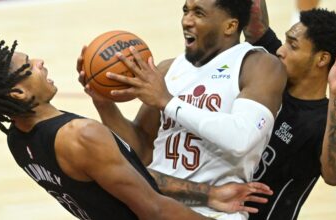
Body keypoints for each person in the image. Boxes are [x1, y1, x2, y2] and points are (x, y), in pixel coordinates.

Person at [0, 29, 274, 220]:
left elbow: (126, 174)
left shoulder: (17, 138)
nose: (40, 62)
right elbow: (154, 210)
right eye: (29, 65)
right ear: (18, 91)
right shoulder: (82, 136)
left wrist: (208, 194)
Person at [77, 0, 287, 219]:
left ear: (230, 26)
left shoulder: (258, 65)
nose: (186, 20)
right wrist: (104, 104)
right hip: (157, 203)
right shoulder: (168, 69)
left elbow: (241, 139)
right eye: (185, 11)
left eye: (199, 13)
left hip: (217, 211)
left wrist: (168, 102)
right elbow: (142, 152)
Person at [243, 2, 336, 219]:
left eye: (292, 45)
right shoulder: (275, 72)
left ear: (322, 59)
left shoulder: (322, 122)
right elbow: (255, 27)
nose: (281, 51)